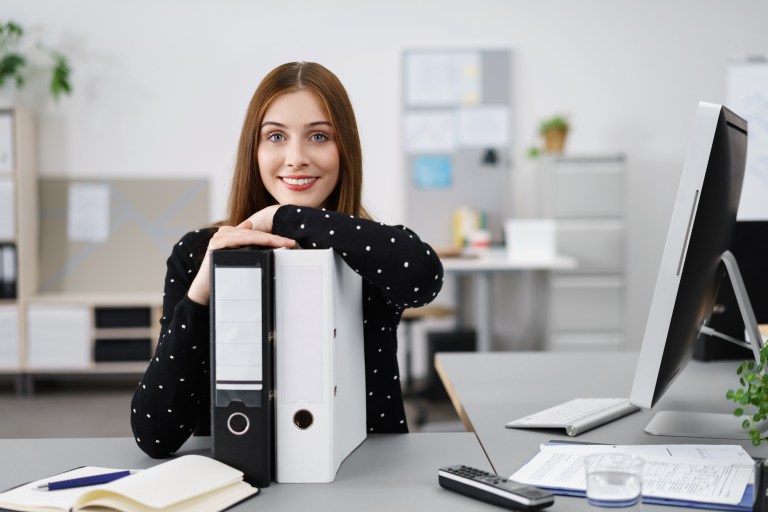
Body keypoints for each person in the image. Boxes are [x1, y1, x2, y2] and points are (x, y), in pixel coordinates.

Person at [130, 62, 444, 458]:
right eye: (276, 136)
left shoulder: (369, 250)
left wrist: (281, 216)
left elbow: (422, 277)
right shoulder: (198, 252)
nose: (296, 157)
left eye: (318, 136)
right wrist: (200, 294)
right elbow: (155, 435)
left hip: (365, 469)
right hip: (241, 475)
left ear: (344, 147)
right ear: (254, 150)